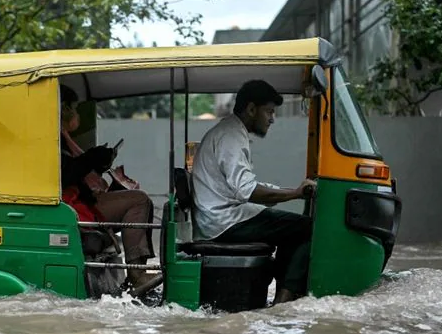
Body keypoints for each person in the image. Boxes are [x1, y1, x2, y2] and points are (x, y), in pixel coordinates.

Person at [190, 80, 317, 304]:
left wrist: (292, 192)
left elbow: (245, 186)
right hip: (223, 223)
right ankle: (284, 299)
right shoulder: (231, 137)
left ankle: (282, 291)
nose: (272, 118)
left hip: (220, 218)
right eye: (268, 111)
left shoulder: (231, 132)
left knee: (291, 228)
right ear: (251, 109)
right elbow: (248, 191)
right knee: (309, 228)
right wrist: (295, 193)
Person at [59, 85, 161, 296]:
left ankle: (136, 272)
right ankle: (136, 275)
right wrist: (92, 159)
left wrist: (97, 163)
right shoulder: (51, 138)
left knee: (139, 199)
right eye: (74, 108)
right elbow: (65, 173)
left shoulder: (63, 137)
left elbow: (76, 169)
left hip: (82, 200)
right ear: (64, 108)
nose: (76, 114)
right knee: (139, 200)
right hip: (73, 205)